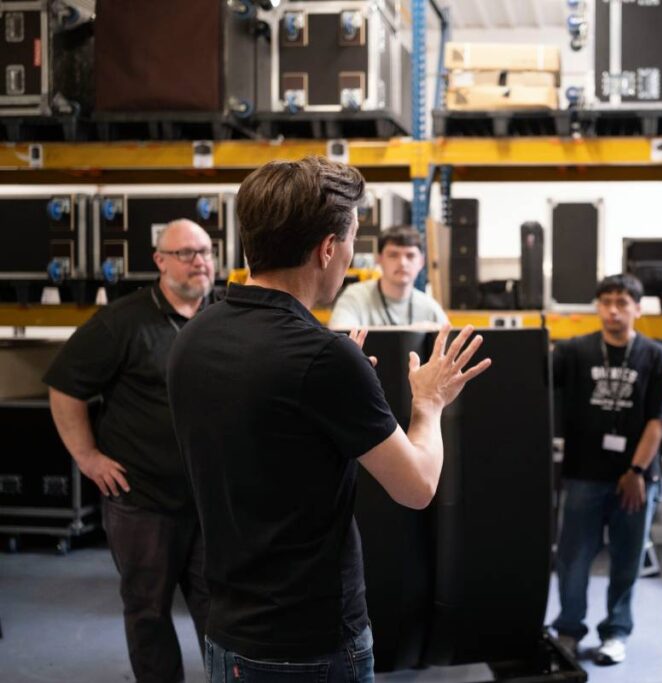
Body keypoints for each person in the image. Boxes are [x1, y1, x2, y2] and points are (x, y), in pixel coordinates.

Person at [165, 156, 490, 683]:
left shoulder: (196, 335)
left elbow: (265, 435)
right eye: (353, 240)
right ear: (328, 249)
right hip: (311, 644)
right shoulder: (322, 358)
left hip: (227, 632)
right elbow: (417, 486)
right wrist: (428, 403)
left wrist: (335, 393)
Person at [44, 219, 216, 683]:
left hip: (211, 500)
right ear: (160, 261)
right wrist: (87, 457)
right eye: (185, 253)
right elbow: (64, 387)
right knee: (148, 611)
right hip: (143, 501)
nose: (199, 261)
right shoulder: (122, 321)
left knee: (220, 609)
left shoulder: (222, 316)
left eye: (205, 251)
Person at [551, 274, 662, 666]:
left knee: (627, 559)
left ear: (638, 308)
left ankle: (616, 632)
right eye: (605, 302)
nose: (613, 311)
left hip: (635, 479)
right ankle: (568, 629)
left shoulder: (656, 356)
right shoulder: (574, 351)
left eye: (622, 303)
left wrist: (636, 471)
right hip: (583, 474)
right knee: (573, 559)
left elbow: (658, 421)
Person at [328, 225, 448, 328]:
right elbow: (339, 337)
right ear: (379, 259)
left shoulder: (430, 309)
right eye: (393, 255)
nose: (402, 263)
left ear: (421, 262)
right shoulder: (355, 298)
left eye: (410, 256)